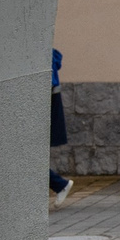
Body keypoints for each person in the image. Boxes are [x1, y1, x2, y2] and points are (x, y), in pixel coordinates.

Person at [49, 45, 73, 209]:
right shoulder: (49, 53)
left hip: (48, 106)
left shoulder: (40, 53)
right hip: (51, 104)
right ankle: (59, 184)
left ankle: (60, 184)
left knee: (28, 157)